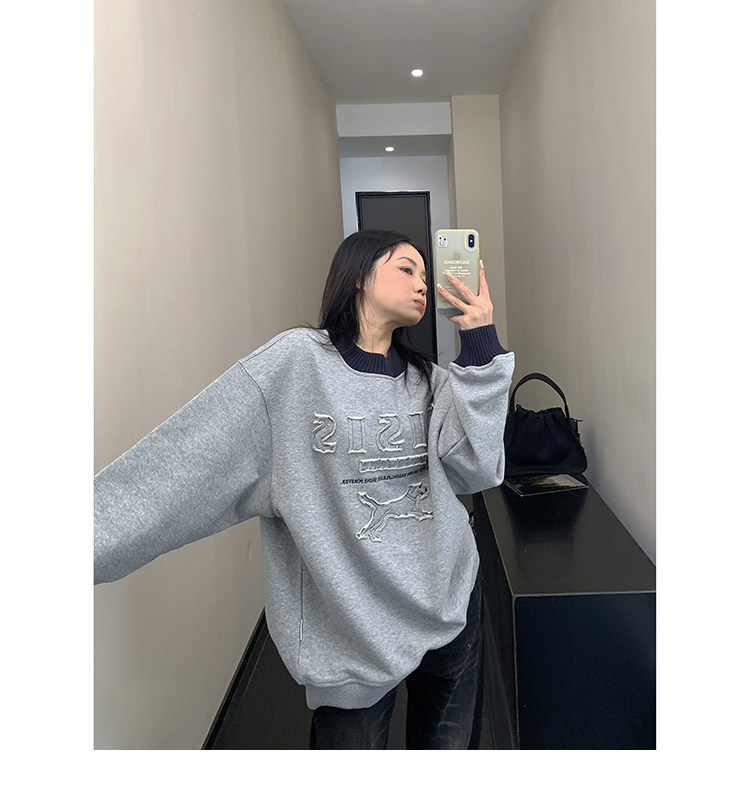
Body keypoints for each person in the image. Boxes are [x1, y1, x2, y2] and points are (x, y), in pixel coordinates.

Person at [94, 228, 515, 749]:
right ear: (358, 276)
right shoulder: (295, 365)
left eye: (426, 275)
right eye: (406, 269)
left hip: (451, 603)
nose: (423, 284)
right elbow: (181, 466)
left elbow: (479, 469)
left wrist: (480, 346)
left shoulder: (429, 380)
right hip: (351, 631)